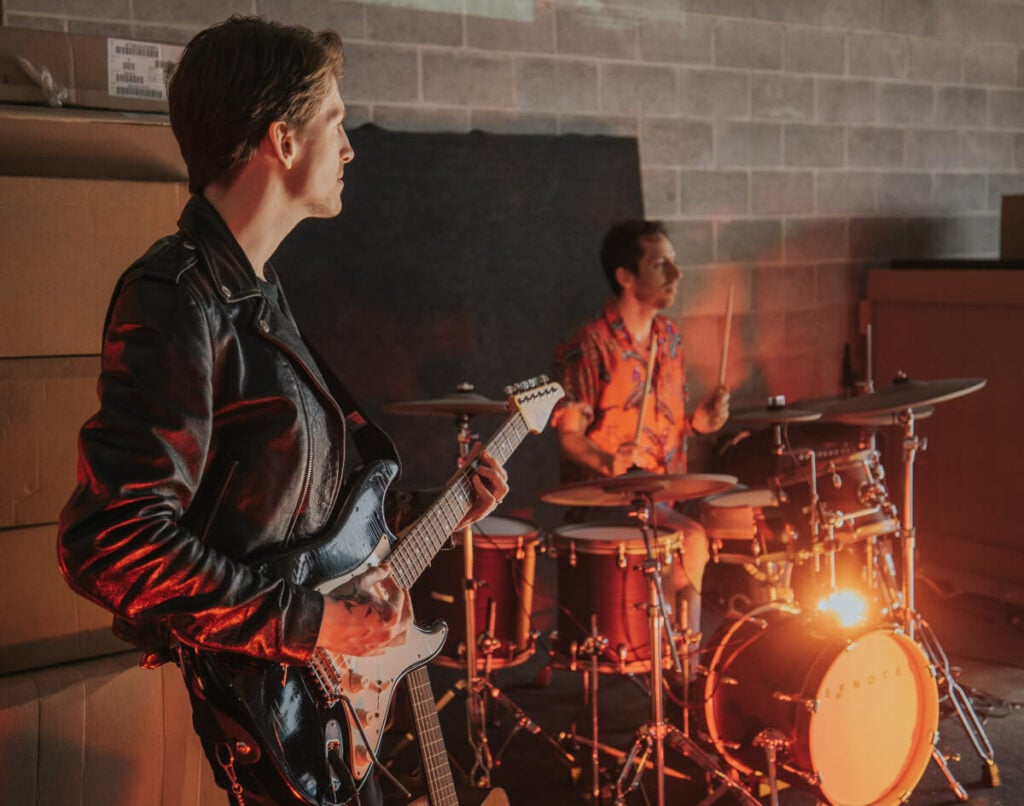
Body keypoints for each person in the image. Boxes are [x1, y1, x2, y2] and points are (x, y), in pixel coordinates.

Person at [56, 16, 508, 806]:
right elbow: (112, 541)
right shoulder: (176, 299)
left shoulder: (255, 292)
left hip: (318, 703)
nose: (350, 146)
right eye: (334, 121)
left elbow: (281, 514)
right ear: (281, 139)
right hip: (275, 705)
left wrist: (427, 511)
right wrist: (314, 625)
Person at [552, 219, 729, 667]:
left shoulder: (669, 337)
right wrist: (610, 460)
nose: (675, 274)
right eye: (660, 264)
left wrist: (700, 422)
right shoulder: (587, 345)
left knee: (711, 529)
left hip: (664, 494)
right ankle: (678, 664)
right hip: (608, 501)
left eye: (673, 263)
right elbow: (569, 436)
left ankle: (678, 660)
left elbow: (672, 424)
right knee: (690, 541)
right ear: (626, 277)